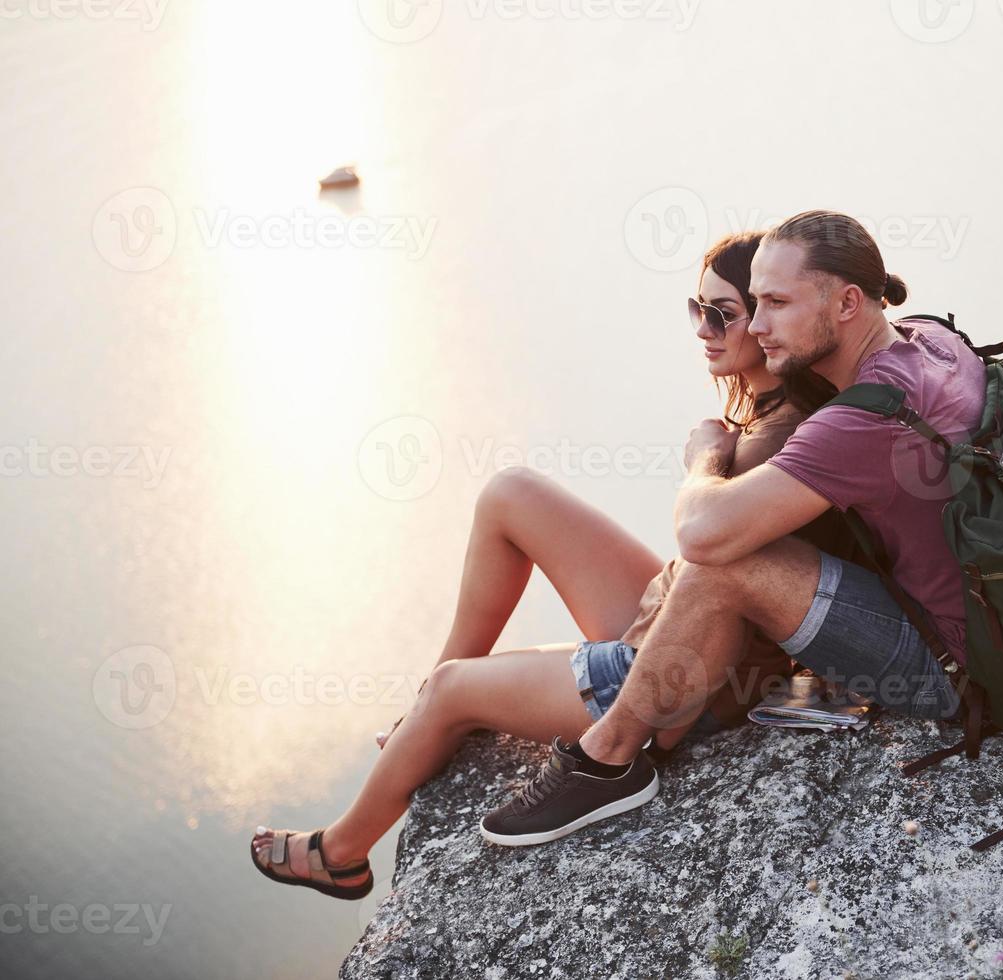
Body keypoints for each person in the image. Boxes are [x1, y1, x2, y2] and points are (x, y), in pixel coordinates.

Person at [249, 230, 867, 897]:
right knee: (511, 493)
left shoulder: (770, 440)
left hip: (677, 680)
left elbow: (713, 549)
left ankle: (341, 851)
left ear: (774, 317)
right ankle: (422, 710)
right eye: (697, 309)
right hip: (679, 620)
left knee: (455, 689)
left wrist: (707, 457)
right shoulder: (777, 408)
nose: (703, 330)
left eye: (724, 314)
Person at [477, 210, 987, 847]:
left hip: (947, 667)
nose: (761, 323)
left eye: (775, 303)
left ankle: (609, 758)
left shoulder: (864, 418)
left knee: (728, 556)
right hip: (975, 615)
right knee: (745, 535)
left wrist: (704, 459)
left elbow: (702, 533)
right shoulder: (928, 339)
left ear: (850, 302)